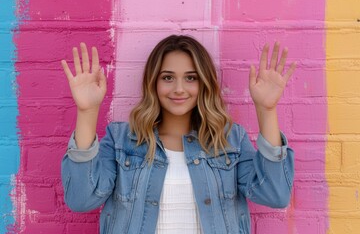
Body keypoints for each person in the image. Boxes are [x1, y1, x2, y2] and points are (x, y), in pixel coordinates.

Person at [61, 35, 296, 234]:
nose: (179, 88)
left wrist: (266, 111)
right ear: (153, 82)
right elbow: (81, 199)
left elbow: (274, 195)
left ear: (204, 83)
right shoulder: (122, 140)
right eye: (168, 77)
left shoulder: (229, 140)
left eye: (191, 78)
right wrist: (87, 111)